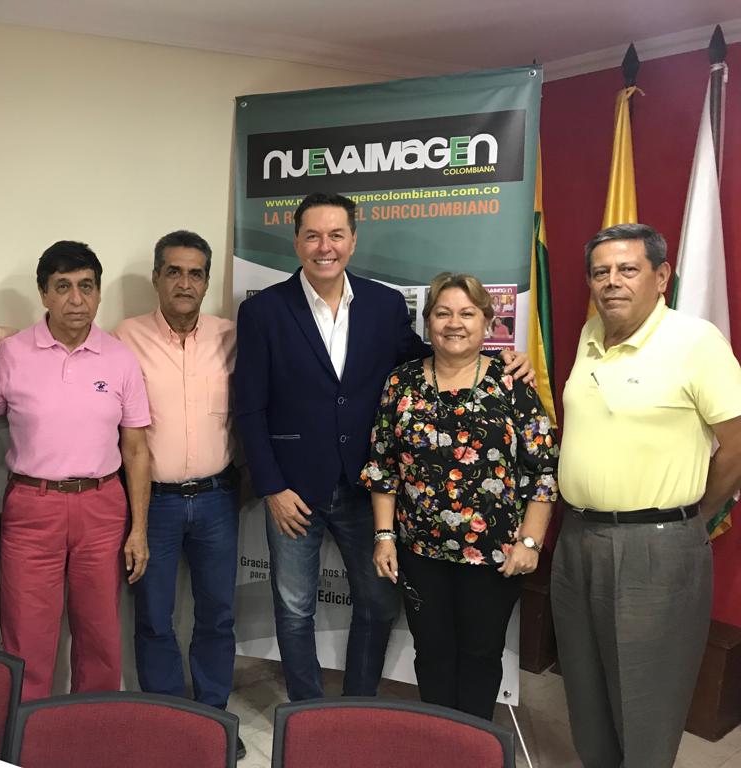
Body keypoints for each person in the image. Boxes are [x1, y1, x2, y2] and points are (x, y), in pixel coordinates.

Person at [234, 192, 532, 701]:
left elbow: (428, 361)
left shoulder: (384, 303)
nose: (324, 246)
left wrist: (497, 359)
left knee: (376, 603)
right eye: (312, 235)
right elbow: (249, 407)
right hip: (293, 490)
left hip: (366, 487)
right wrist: (272, 487)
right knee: (294, 606)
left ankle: (357, 703)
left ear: (353, 241)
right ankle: (307, 710)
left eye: (335, 235)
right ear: (296, 241)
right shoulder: (262, 311)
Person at [553, 223, 741, 768]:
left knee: (647, 700)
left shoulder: (695, 341)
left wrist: (691, 516)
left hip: (656, 546)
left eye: (627, 269)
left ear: (661, 277)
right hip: (578, 536)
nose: (612, 281)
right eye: (601, 272)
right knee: (584, 687)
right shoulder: (591, 335)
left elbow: (736, 442)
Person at [363, 272, 558, 720]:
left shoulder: (512, 382)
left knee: (480, 654)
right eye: (443, 313)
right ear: (427, 321)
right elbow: (383, 466)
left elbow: (543, 468)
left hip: (494, 556)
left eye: (467, 313)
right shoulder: (401, 383)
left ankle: (473, 742)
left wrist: (530, 542)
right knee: (431, 652)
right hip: (420, 552)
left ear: (487, 322)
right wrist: (384, 536)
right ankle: (439, 742)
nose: (454, 323)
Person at [0, 240, 151, 701]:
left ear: (99, 293)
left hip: (102, 505)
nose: (77, 299)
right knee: (26, 631)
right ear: (44, 294)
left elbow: (136, 450)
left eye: (86, 287)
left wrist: (139, 530)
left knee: (100, 631)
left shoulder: (120, 358)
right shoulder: (10, 354)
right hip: (33, 506)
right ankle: (26, 726)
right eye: (63, 287)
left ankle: (92, 724)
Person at [113, 231, 245, 760]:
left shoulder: (231, 337)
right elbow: (69, 344)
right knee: (153, 616)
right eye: (174, 272)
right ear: (156, 278)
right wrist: (1, 333)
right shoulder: (125, 338)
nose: (185, 283)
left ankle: (213, 719)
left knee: (218, 614)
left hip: (217, 500)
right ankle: (168, 722)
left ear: (207, 281)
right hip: (155, 502)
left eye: (195, 273)